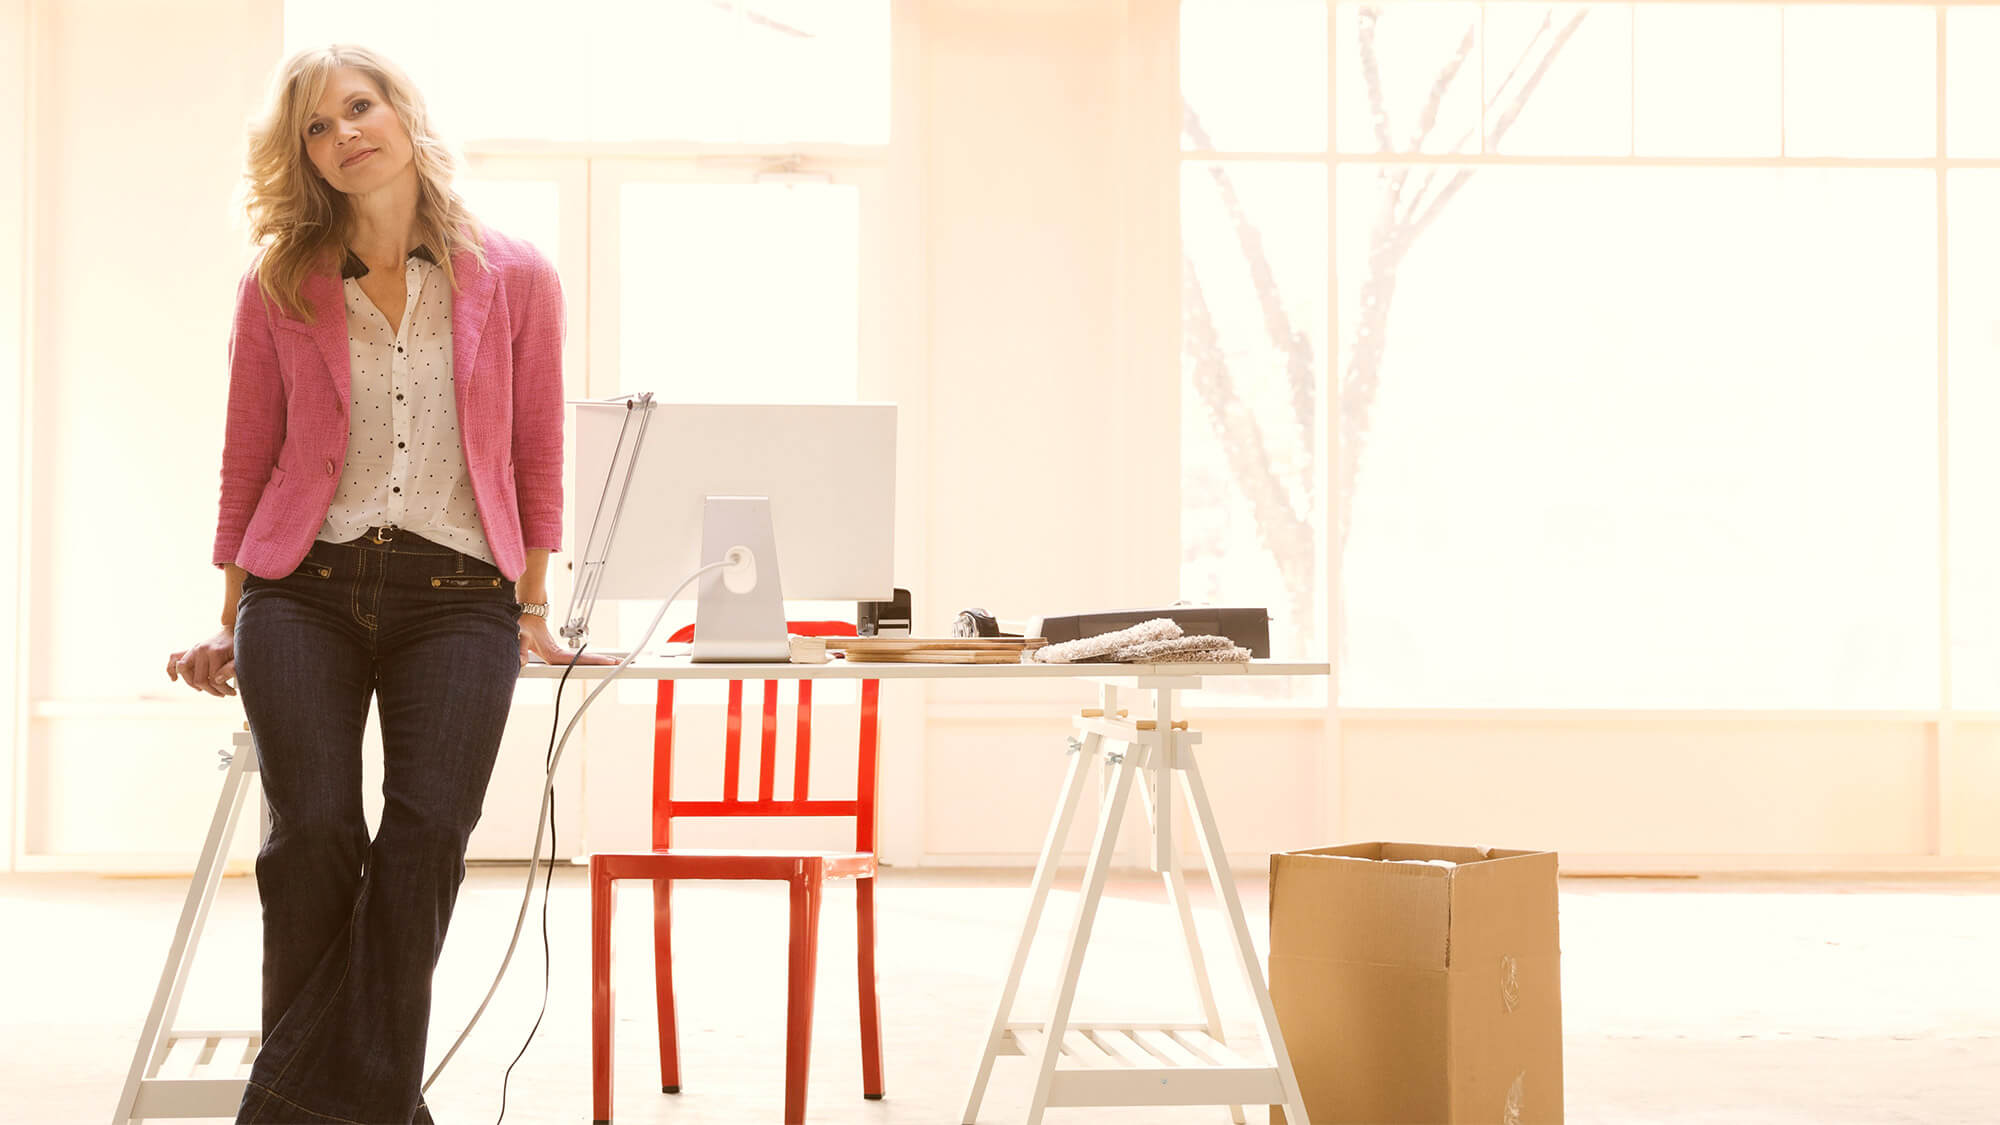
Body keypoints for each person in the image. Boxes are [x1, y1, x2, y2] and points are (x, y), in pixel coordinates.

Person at [166, 44, 612, 1124]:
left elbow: (537, 452)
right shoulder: (279, 282)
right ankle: (372, 1107)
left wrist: (533, 603)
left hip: (459, 592)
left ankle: (292, 1109)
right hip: (302, 589)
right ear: (302, 157)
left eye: (358, 108)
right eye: (316, 128)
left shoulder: (517, 275)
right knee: (311, 834)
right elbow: (247, 457)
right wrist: (229, 615)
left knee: (426, 836)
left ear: (403, 114)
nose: (343, 136)